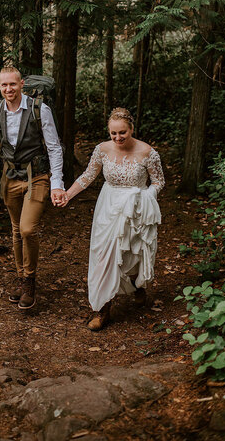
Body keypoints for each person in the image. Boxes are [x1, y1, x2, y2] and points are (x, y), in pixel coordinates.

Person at [60, 107, 165, 331]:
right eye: (113, 133)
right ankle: (102, 309)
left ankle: (138, 286)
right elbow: (88, 176)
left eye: (122, 133)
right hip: (108, 205)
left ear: (131, 129)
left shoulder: (147, 152)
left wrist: (146, 197)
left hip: (136, 207)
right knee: (104, 255)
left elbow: (158, 181)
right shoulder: (102, 150)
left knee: (131, 253)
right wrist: (68, 194)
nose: (118, 138)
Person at [0, 67, 65, 310]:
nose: (9, 89)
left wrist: (56, 183)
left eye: (13, 84)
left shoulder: (40, 109)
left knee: (28, 229)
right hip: (9, 177)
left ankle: (30, 280)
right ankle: (21, 278)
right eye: (4, 85)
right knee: (16, 230)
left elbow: (54, 147)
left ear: (22, 84)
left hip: (36, 176)